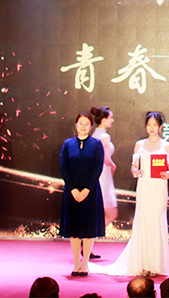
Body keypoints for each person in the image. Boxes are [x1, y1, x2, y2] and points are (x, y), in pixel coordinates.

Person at [101, 111, 169, 276]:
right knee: (144, 222)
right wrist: (135, 171)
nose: (151, 128)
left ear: (160, 127)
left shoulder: (166, 146)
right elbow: (134, 166)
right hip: (144, 188)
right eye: (149, 125)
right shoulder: (139, 145)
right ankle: (143, 264)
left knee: (156, 222)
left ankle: (154, 265)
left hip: (159, 188)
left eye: (154, 125)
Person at [60, 112, 105, 277]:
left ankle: (85, 262)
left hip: (90, 191)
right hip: (72, 192)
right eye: (81, 123)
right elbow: (64, 167)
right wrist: (72, 189)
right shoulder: (67, 144)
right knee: (73, 230)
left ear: (91, 127)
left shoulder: (97, 144)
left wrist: (86, 189)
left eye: (87, 124)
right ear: (76, 125)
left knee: (88, 230)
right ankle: (76, 263)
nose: (83, 126)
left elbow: (98, 168)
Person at [90, 106, 118, 259]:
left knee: (101, 213)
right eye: (110, 117)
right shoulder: (104, 136)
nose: (112, 120)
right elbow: (105, 158)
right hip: (103, 177)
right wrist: (113, 165)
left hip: (100, 175)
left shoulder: (95, 134)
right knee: (111, 213)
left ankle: (88, 243)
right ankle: (88, 240)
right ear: (104, 119)